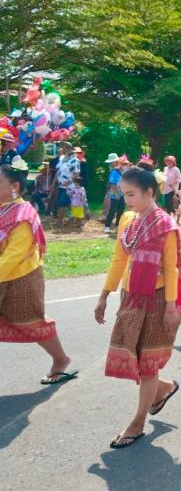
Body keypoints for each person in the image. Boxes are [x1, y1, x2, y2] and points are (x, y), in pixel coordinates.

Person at [94, 167, 181, 449]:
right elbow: (118, 260)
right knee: (132, 355)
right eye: (124, 194)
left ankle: (137, 424)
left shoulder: (166, 225)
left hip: (158, 299)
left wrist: (171, 307)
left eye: (131, 194)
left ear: (149, 193)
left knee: (147, 364)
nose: (126, 200)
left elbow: (171, 270)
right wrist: (104, 295)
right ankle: (163, 388)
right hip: (131, 296)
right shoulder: (128, 221)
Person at [0, 158, 75, 385]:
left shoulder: (22, 214)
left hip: (20, 279)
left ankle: (61, 359)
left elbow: (14, 256)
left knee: (31, 322)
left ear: (14, 186)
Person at [55, 143, 81, 220]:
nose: (64, 149)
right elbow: (58, 171)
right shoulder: (61, 158)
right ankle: (77, 217)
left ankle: (60, 221)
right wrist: (54, 182)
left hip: (69, 185)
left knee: (62, 203)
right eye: (63, 147)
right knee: (69, 203)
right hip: (61, 185)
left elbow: (77, 173)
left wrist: (69, 180)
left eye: (65, 147)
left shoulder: (75, 160)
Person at [103, 153, 126, 233]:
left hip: (123, 194)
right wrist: (116, 194)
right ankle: (107, 226)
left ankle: (117, 226)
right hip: (114, 195)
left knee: (121, 210)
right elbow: (112, 184)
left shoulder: (124, 172)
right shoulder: (114, 172)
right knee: (112, 210)